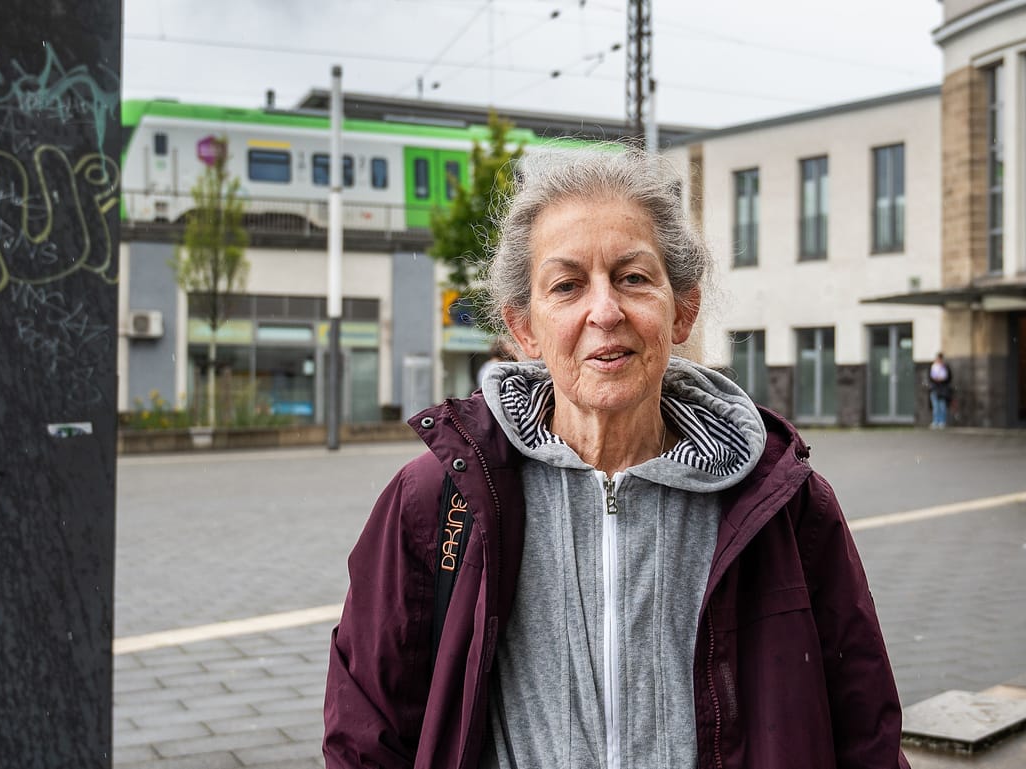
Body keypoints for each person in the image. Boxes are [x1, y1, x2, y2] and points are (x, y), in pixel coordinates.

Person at [323, 150, 910, 769]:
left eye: (633, 278)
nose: (605, 312)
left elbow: (863, 728)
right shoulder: (438, 500)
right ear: (524, 329)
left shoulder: (783, 505)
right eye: (567, 285)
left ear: (681, 310)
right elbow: (368, 736)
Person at [928, 352, 952, 429]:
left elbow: (948, 377)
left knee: (942, 406)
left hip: (942, 389)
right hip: (935, 388)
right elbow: (930, 377)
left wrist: (942, 379)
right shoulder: (933, 367)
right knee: (935, 406)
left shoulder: (945, 367)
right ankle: (936, 421)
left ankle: (942, 422)